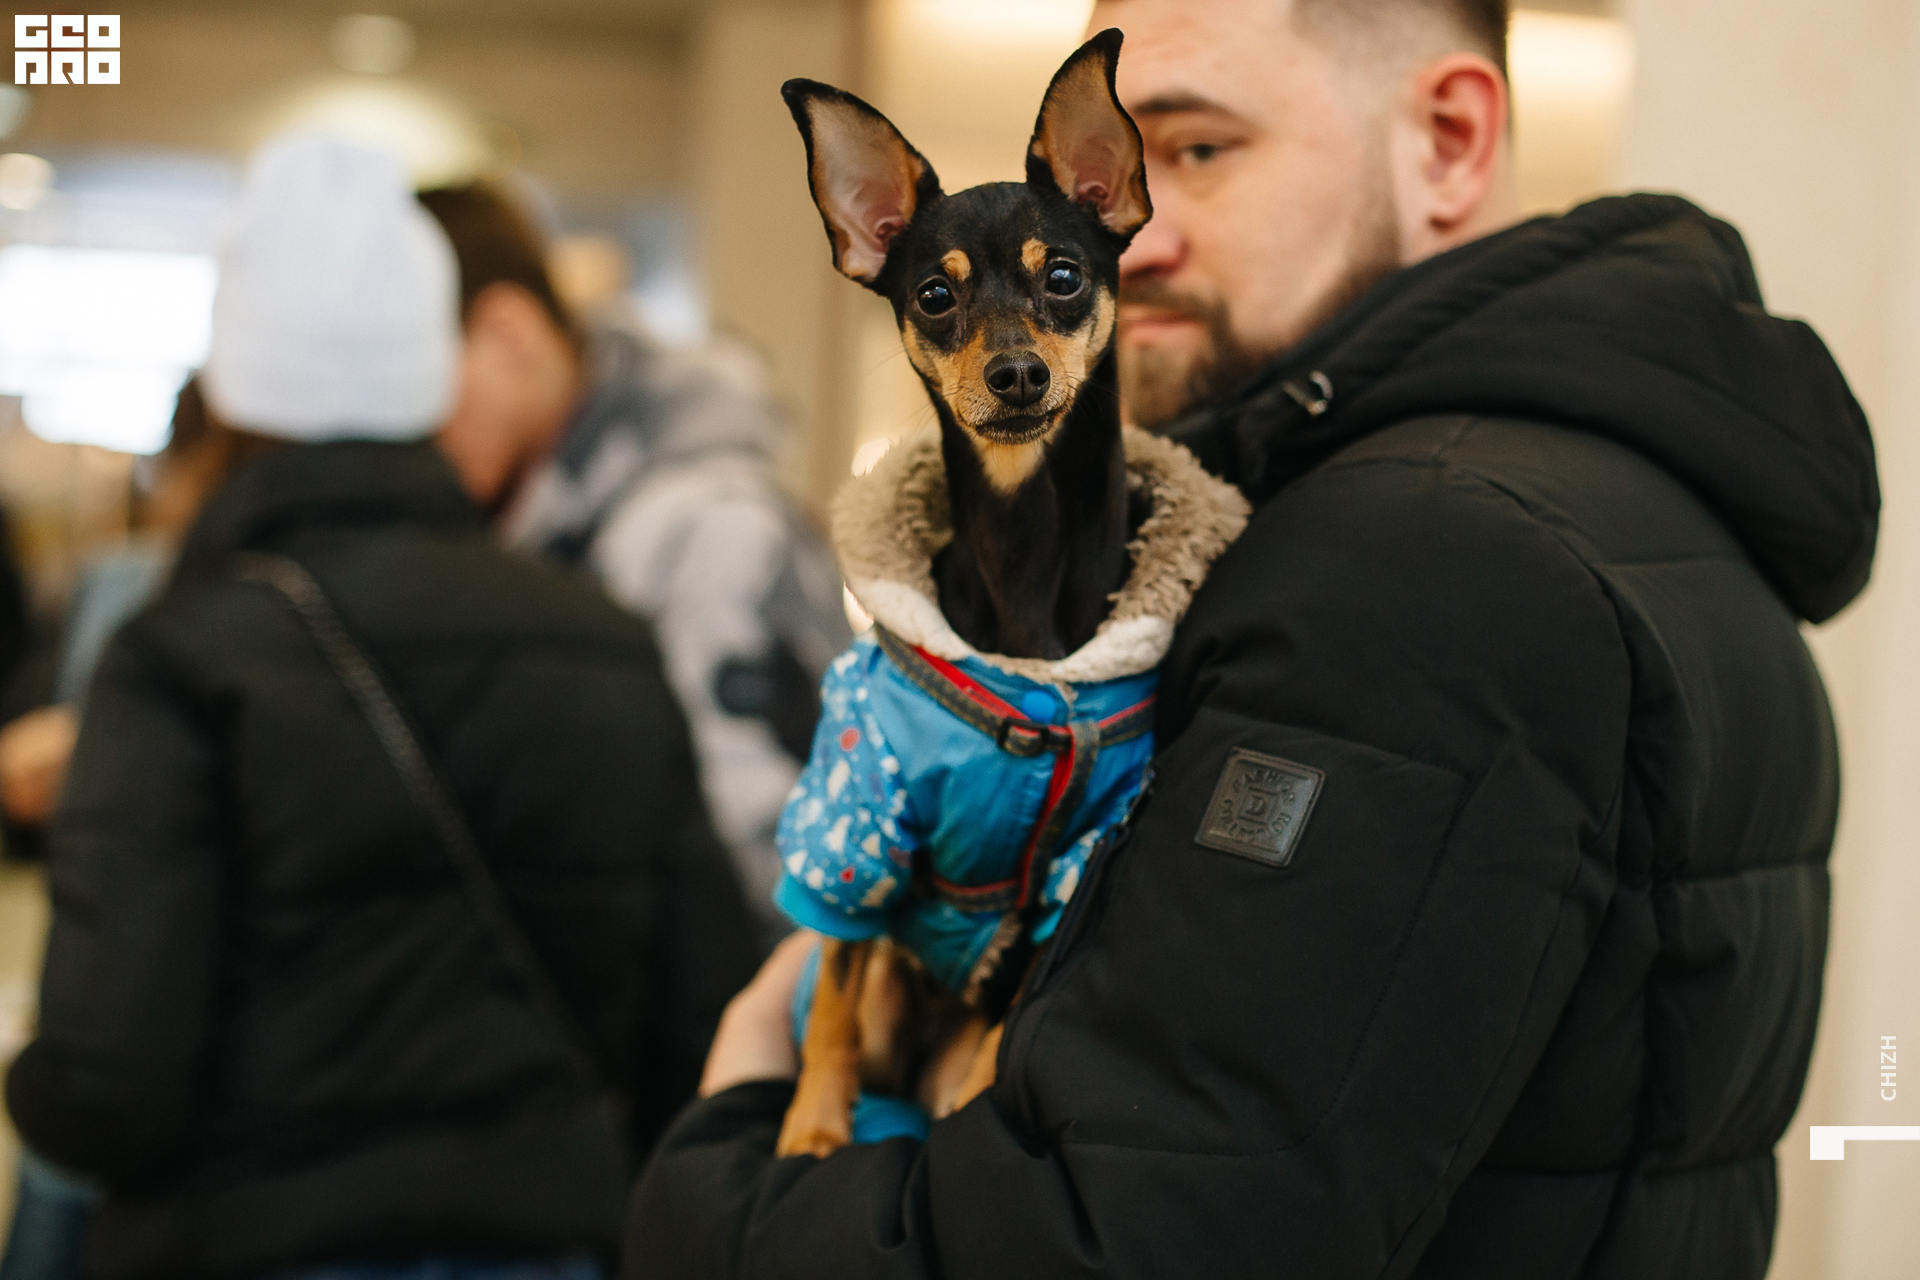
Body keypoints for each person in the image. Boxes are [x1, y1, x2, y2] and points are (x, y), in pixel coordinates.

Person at [623, 2, 1879, 1278]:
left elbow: (1142, 1233)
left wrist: (720, 1173)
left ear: (1449, 140)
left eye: (1198, 149)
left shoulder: (1422, 560)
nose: (1144, 232)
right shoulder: (1611, 487)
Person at [3, 133, 761, 1280]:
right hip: (555, 1247)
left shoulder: (180, 657)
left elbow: (110, 1086)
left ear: (237, 381)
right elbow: (700, 1028)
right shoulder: (603, 640)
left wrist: (32, 1075)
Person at [418, 185, 851, 937]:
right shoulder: (551, 524)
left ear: (505, 333)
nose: (413, 421)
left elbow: (779, 880)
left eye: (418, 373)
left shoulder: (707, 531)